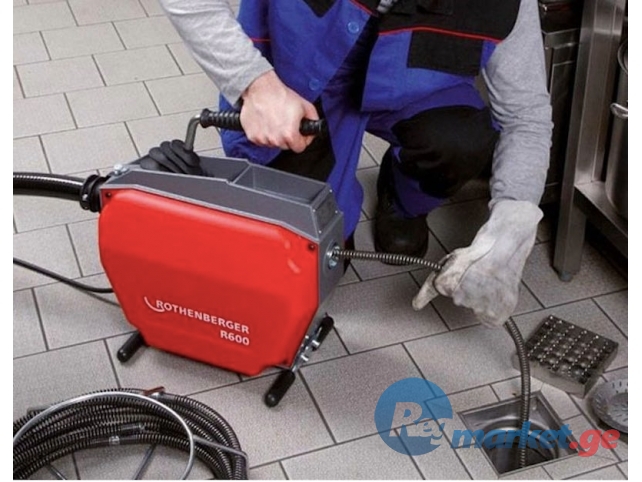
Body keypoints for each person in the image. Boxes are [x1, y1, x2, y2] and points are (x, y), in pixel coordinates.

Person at [159, 0, 553, 328]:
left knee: (460, 140)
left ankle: (402, 198)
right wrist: (255, 84)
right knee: (309, 260)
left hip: (410, 83)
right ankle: (332, 206)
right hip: (298, 84)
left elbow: (526, 113)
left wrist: (513, 220)